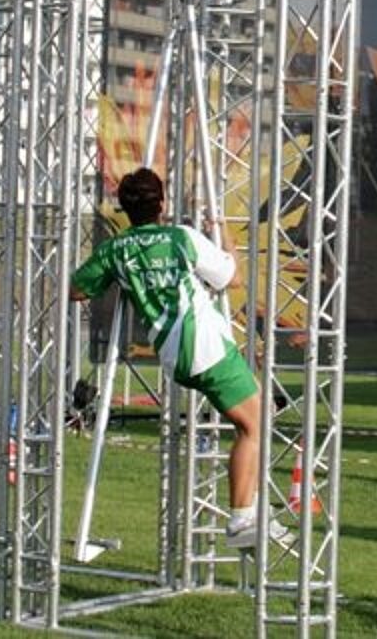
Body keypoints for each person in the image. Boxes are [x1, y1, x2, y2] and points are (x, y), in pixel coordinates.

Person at [70, 167, 286, 549]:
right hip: (203, 345)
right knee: (257, 425)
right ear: (162, 204)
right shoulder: (180, 238)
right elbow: (231, 278)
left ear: (125, 208)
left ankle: (251, 510)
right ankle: (242, 517)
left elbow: (77, 290)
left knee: (259, 412)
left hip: (175, 352)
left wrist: (126, 280)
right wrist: (226, 236)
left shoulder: (116, 249)